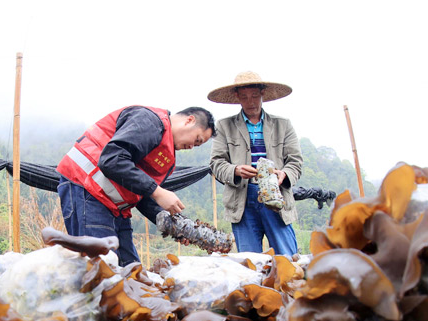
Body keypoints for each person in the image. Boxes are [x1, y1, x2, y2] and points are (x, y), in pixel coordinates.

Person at [56, 106, 215, 266]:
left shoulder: (167, 155)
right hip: (86, 192)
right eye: (197, 140)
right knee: (102, 270)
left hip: (116, 209)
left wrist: (177, 227)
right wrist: (157, 191)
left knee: (132, 271)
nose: (191, 147)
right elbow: (112, 160)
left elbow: (143, 195)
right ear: (189, 120)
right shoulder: (149, 121)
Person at [209, 71, 303, 255]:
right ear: (237, 97)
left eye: (254, 96)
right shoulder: (224, 126)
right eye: (244, 97)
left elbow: (295, 161)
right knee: (249, 261)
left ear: (262, 94)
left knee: (287, 257)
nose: (250, 102)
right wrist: (235, 170)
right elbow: (216, 163)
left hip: (277, 196)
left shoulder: (282, 125)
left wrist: (283, 175)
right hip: (242, 199)